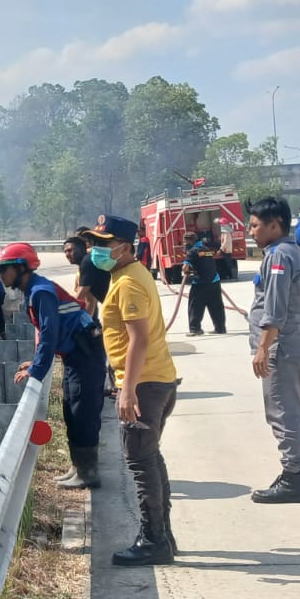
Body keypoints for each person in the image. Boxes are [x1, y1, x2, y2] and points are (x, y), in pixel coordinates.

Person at [82, 214, 180, 566]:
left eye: (103, 244)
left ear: (125, 247)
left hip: (145, 384)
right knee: (150, 458)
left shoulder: (128, 283)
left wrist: (128, 390)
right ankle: (163, 534)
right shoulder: (127, 276)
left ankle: (153, 540)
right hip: (156, 380)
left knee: (141, 463)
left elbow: (137, 340)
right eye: (94, 243)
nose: (95, 250)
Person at [0, 242, 108, 489]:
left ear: (21, 268)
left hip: (84, 354)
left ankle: (88, 473)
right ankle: (79, 467)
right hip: (75, 354)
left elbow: (49, 334)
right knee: (71, 409)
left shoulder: (41, 291)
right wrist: (36, 361)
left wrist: (36, 370)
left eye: (4, 269)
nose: (0, 275)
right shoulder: (33, 289)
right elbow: (43, 332)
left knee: (82, 412)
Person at [247, 197, 300, 503]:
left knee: (283, 412)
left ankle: (292, 477)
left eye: (254, 225)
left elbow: (275, 309)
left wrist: (264, 348)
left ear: (274, 224)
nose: (250, 231)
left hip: (285, 349)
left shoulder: (278, 257)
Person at [64, 231, 115, 397]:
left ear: (81, 248)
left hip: (117, 308)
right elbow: (89, 300)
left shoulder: (87, 262)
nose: (67, 255)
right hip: (112, 307)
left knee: (116, 348)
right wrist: (87, 323)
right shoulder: (86, 264)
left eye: (70, 250)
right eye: (65, 252)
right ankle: (114, 386)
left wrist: (65, 318)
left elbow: (80, 295)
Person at [184, 229, 226, 336]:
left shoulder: (192, 252)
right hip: (214, 281)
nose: (185, 244)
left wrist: (187, 272)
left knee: (195, 307)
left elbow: (186, 267)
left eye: (186, 242)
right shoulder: (206, 249)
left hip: (200, 283)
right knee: (216, 306)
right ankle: (220, 328)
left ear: (190, 241)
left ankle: (195, 329)